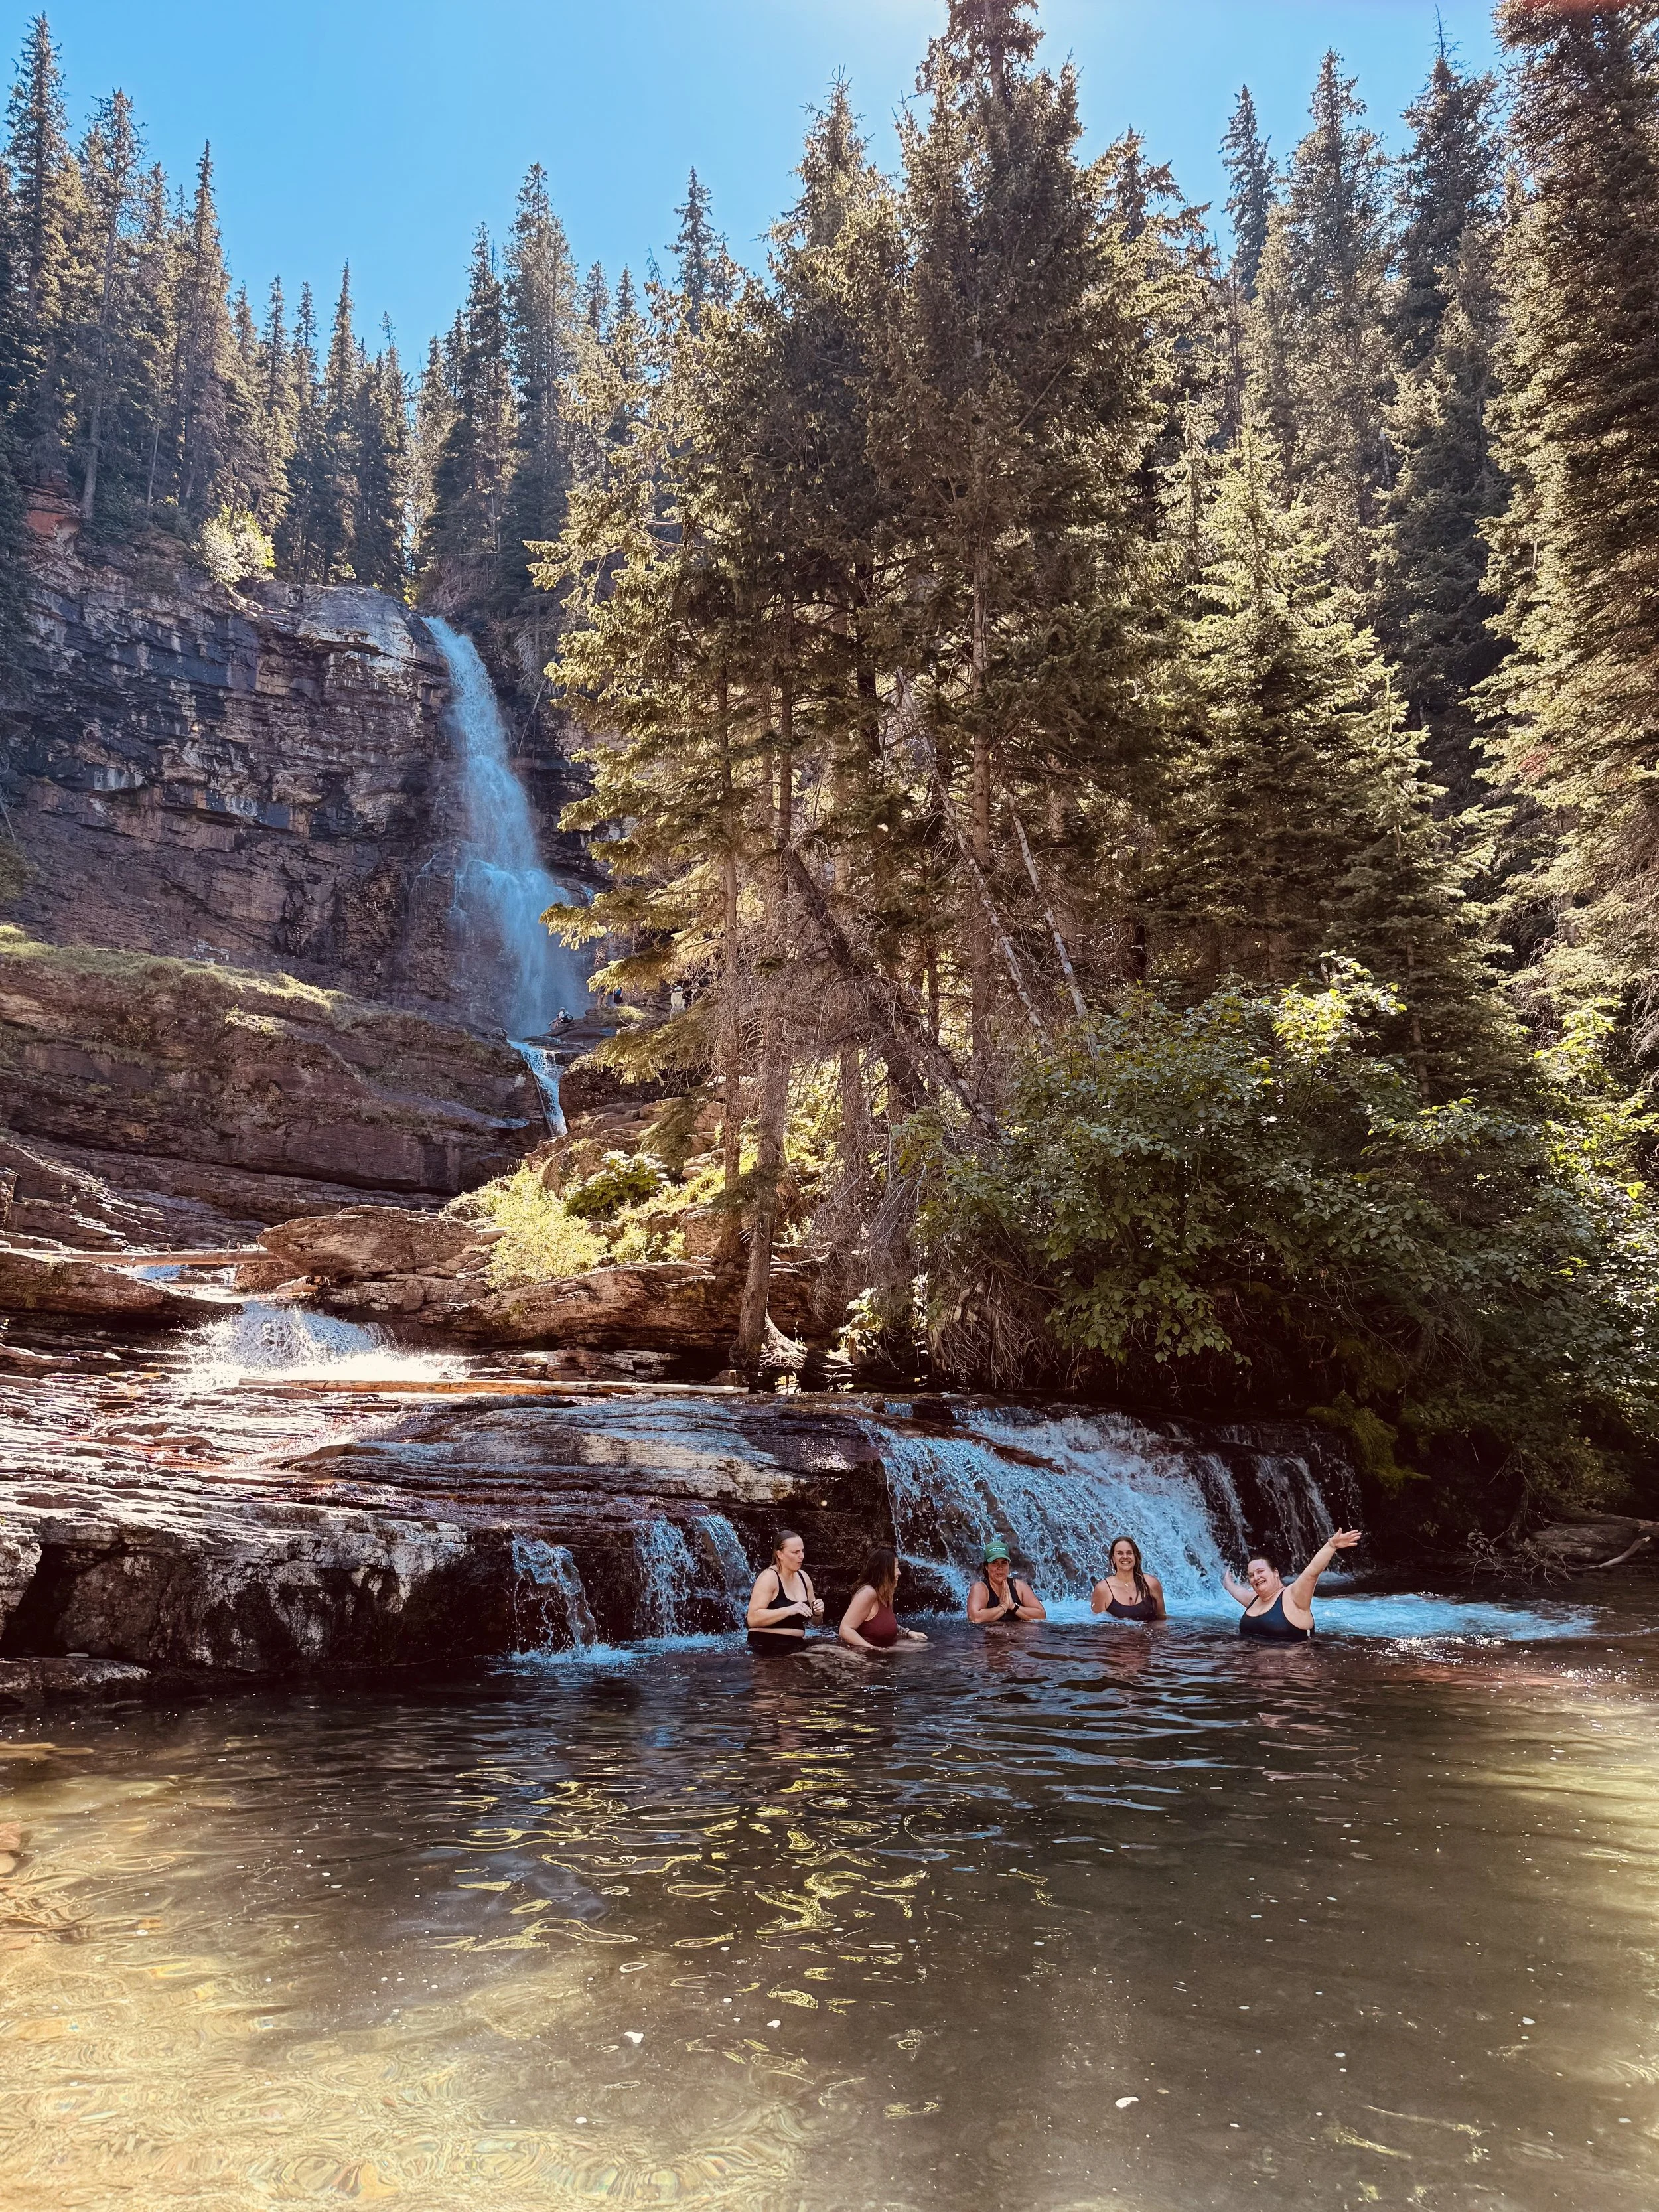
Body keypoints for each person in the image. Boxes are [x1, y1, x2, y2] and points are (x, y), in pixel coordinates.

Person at [1223, 1530, 1362, 1641]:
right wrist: (1228, 1583)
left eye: (1260, 1572)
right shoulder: (1253, 1600)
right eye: (1251, 1575)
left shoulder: (1293, 1596)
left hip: (1292, 1673)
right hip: (1254, 1671)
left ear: (1275, 1572)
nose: (1256, 1578)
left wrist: (1331, 1545)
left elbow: (1312, 1572)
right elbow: (1237, 1591)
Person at [746, 1530, 824, 1655]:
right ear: (780, 1554)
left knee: (841, 1655)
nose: (802, 1556)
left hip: (796, 1643)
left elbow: (815, 1623)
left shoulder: (804, 1577)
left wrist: (817, 1613)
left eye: (802, 1551)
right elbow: (753, 1619)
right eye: (795, 1552)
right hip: (768, 1644)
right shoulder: (769, 1577)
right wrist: (789, 1610)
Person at [839, 1546, 930, 1653]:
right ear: (884, 1571)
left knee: (925, 1645)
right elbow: (845, 1630)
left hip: (882, 1650)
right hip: (862, 1655)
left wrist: (908, 1633)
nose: (899, 1573)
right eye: (896, 1568)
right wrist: (874, 1649)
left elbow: (883, 1623)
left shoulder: (886, 1593)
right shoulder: (868, 1593)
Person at [967, 1540, 1046, 1625]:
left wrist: (1013, 1607)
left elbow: (1041, 1615)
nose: (1000, 1568)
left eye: (1004, 1563)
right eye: (994, 1563)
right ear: (986, 1567)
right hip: (991, 1637)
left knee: (1032, 1629)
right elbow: (975, 1618)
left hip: (1018, 1636)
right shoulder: (980, 1588)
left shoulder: (1019, 1586)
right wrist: (1003, 1607)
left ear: (1009, 1565)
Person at [1090, 1536, 1166, 1623]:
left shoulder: (1152, 1583)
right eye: (1120, 1553)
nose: (1125, 1557)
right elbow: (1097, 1627)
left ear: (1136, 1557)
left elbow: (1162, 1620)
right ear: (1113, 1559)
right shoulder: (1103, 1589)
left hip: (1148, 1636)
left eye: (1130, 1553)